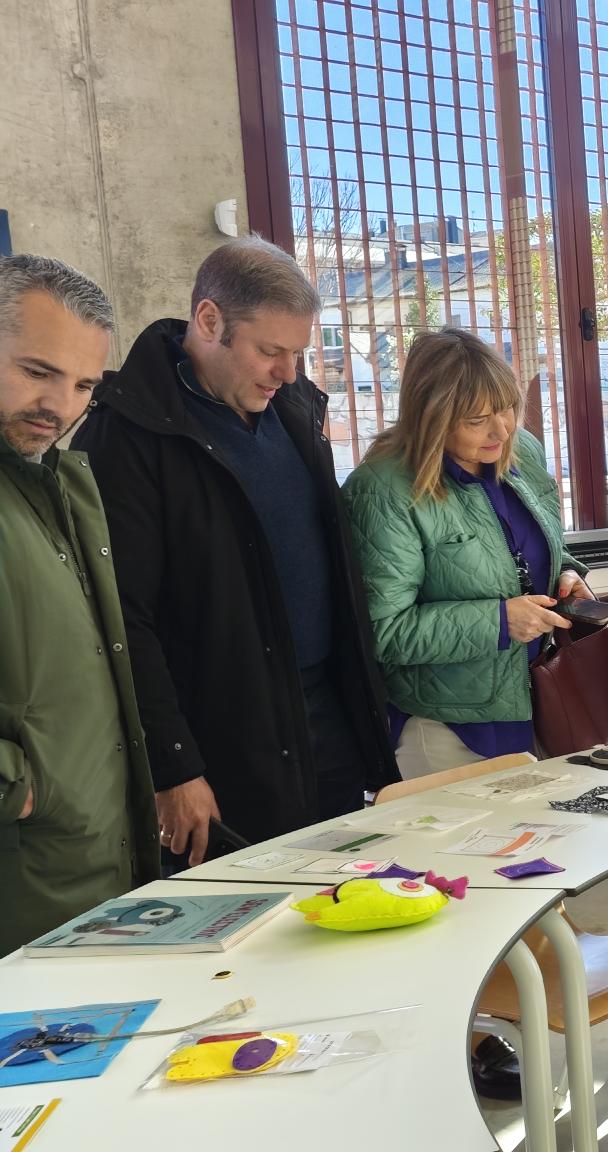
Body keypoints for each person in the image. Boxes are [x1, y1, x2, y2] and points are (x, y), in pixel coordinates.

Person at [73, 236, 398, 866]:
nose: (287, 371)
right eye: (269, 351)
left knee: (341, 907)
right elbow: (121, 620)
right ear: (209, 321)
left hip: (323, 719)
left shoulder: (295, 409)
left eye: (298, 353)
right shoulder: (127, 435)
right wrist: (174, 768)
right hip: (219, 737)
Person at [338, 328, 591, 1096]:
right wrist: (494, 621)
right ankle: (462, 1044)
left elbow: (548, 548)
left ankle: (498, 1024)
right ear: (429, 414)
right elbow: (381, 632)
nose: (500, 432)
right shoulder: (383, 490)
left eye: (507, 411)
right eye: (478, 419)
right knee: (459, 893)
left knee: (527, 880)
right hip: (444, 722)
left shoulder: (523, 455)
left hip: (533, 708)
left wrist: (572, 578)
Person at [0, 256, 159, 954]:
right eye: (37, 372)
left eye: (84, 385)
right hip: (26, 870)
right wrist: (20, 789)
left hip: (91, 864)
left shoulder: (60, 480)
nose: (59, 406)